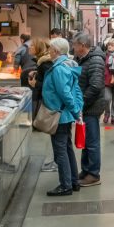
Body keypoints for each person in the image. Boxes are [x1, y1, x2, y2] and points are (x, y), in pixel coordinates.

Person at [41, 37, 83, 196]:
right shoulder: (69, 65)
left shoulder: (59, 69)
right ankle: (73, 181)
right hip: (65, 115)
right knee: (66, 148)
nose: (49, 52)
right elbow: (76, 90)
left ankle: (66, 185)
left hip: (59, 115)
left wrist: (75, 110)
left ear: (56, 51)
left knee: (60, 151)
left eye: (50, 49)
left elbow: (65, 93)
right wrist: (77, 109)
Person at [72, 32, 107, 186]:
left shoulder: (95, 60)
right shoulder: (81, 59)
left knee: (92, 141)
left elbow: (96, 85)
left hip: (91, 107)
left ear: (83, 46)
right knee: (85, 140)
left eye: (75, 45)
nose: (73, 47)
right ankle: (86, 170)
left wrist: (81, 102)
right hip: (85, 105)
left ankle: (93, 173)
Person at [24, 38, 59, 172]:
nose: (30, 47)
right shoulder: (42, 63)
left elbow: (50, 84)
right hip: (50, 103)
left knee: (57, 137)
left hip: (52, 104)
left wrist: (35, 84)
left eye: (32, 45)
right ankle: (56, 161)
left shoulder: (45, 64)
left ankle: (57, 163)